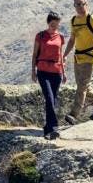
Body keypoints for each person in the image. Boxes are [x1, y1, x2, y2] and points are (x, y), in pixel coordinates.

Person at [63, 0, 93, 124]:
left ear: (86, 4)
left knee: (81, 87)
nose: (79, 6)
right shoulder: (74, 20)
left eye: (81, 4)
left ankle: (74, 114)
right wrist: (65, 54)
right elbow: (72, 40)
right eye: (77, 4)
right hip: (78, 57)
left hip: (90, 56)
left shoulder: (92, 19)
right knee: (84, 85)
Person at [31, 11, 66, 139]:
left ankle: (47, 128)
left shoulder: (60, 37)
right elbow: (35, 54)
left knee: (53, 100)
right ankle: (54, 128)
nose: (54, 27)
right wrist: (33, 71)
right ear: (48, 23)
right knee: (50, 99)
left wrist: (64, 72)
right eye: (52, 24)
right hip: (43, 71)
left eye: (57, 24)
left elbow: (61, 55)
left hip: (57, 72)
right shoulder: (40, 36)